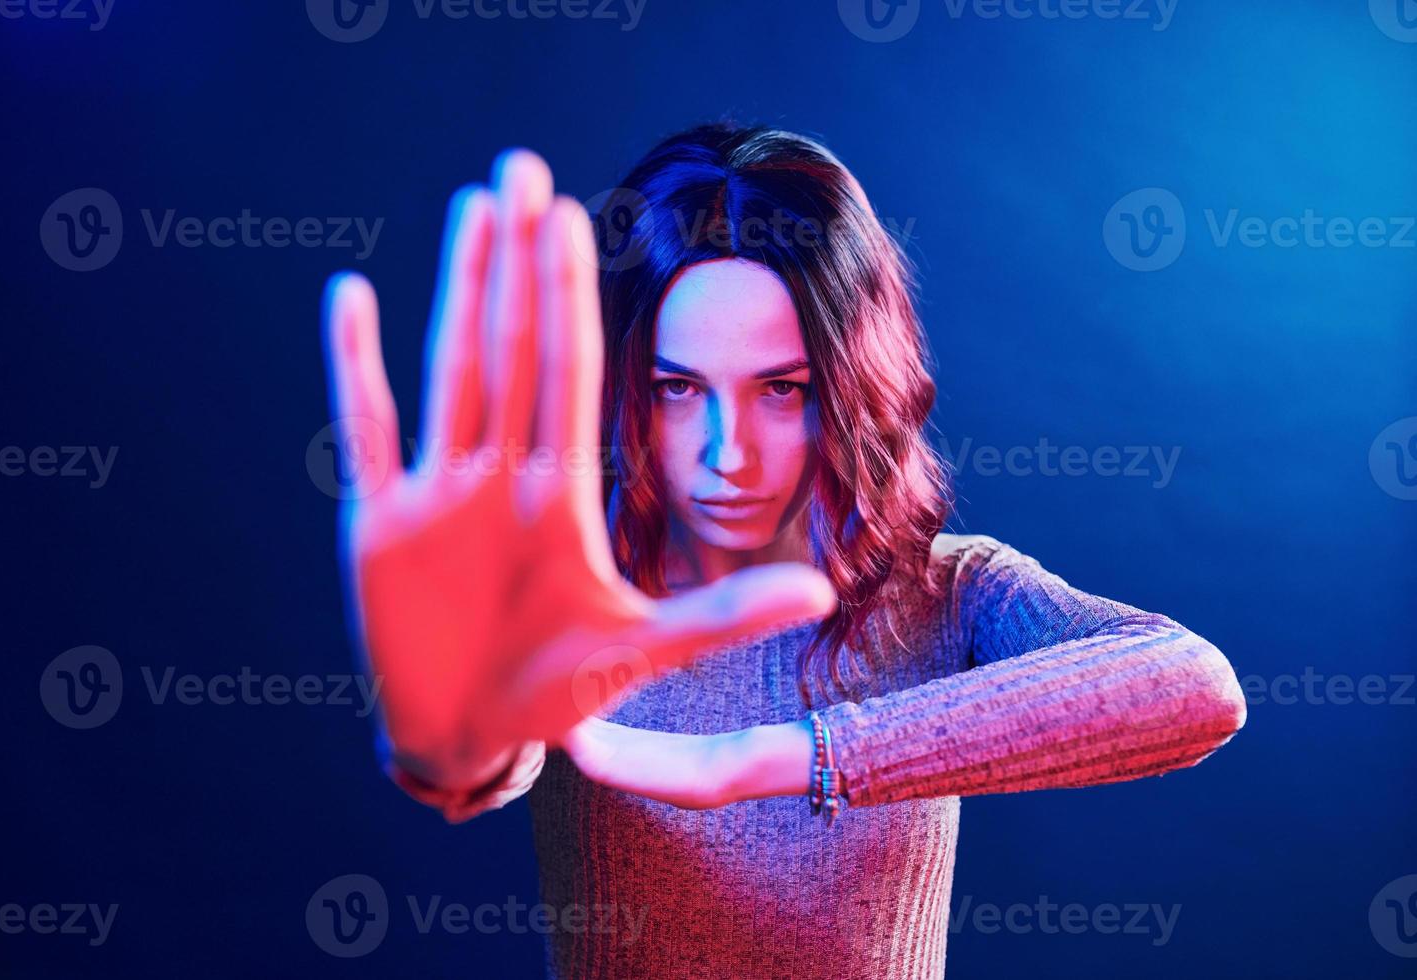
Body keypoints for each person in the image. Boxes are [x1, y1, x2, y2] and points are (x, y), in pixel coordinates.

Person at [319, 122, 1248, 979]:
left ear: (853, 385)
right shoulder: (572, 596)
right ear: (627, 387)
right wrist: (445, 747)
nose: (730, 453)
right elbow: (489, 756)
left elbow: (1195, 688)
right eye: (679, 388)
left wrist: (771, 759)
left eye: (782, 389)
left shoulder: (947, 592)